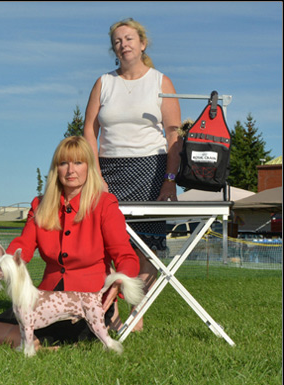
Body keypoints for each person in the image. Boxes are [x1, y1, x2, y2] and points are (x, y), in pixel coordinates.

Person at [0, 136, 139, 349]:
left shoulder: (105, 204)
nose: (70, 170)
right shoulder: (40, 205)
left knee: (57, 335)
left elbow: (125, 255)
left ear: (89, 167)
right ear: (56, 169)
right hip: (45, 299)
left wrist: (119, 282)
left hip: (88, 299)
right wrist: (5, 264)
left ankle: (44, 343)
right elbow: (24, 245)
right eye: (64, 163)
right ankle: (41, 345)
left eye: (78, 162)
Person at [83, 18, 182, 331]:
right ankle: (110, 312)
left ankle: (137, 314)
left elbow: (174, 135)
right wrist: (96, 175)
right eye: (117, 40)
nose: (123, 44)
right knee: (106, 243)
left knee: (146, 246)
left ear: (142, 44)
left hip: (151, 169)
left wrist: (169, 181)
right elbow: (89, 131)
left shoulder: (161, 82)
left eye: (128, 38)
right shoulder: (103, 83)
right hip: (108, 169)